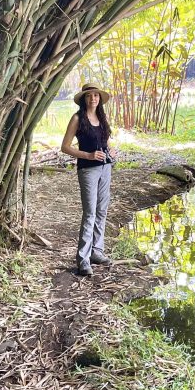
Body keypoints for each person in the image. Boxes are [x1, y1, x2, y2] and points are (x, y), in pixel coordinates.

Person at [61, 84, 116, 276]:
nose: (93, 98)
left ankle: (96, 252)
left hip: (105, 168)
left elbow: (105, 140)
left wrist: (110, 150)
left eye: (96, 95)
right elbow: (65, 147)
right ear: (84, 99)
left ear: (99, 98)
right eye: (89, 96)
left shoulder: (101, 117)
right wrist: (88, 155)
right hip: (88, 170)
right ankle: (83, 259)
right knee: (90, 213)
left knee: (102, 210)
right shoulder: (78, 118)